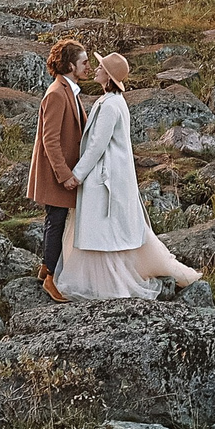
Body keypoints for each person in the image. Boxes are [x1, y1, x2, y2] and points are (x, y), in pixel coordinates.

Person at [57, 52, 202, 302]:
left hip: (105, 178)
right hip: (108, 176)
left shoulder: (112, 105)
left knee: (104, 233)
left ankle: (109, 287)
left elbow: (97, 146)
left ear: (109, 75)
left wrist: (76, 175)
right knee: (108, 232)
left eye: (100, 67)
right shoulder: (111, 101)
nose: (95, 69)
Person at [26, 37, 90, 303]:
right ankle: (51, 278)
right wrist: (65, 175)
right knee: (56, 222)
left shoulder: (69, 90)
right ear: (70, 65)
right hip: (56, 174)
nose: (88, 66)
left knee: (55, 219)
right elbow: (49, 139)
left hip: (60, 172)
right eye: (83, 62)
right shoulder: (56, 94)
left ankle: (45, 268)